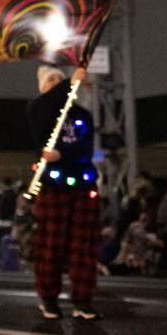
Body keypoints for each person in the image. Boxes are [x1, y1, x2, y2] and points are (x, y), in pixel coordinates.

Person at [27, 65, 102, 319]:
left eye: (60, 79)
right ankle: (49, 299)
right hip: (53, 187)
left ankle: (83, 300)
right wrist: (68, 82)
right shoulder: (39, 110)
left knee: (83, 248)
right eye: (52, 80)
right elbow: (44, 105)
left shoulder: (82, 114)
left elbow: (85, 148)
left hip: (83, 186)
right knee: (51, 245)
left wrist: (63, 153)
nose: (58, 83)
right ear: (43, 88)